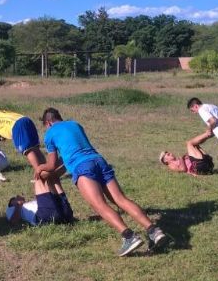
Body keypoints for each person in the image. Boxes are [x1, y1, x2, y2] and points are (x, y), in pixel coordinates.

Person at [35, 108, 169, 256]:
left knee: (99, 205)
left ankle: (129, 237)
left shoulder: (50, 134)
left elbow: (51, 165)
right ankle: (153, 231)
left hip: (82, 168)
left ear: (48, 122)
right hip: (98, 160)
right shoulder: (75, 124)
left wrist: (39, 168)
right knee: (120, 199)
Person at [6, 168, 74, 226]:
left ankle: (63, 162)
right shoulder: (10, 209)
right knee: (39, 177)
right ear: (12, 203)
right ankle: (64, 161)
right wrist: (18, 205)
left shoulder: (25, 206)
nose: (18, 196)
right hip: (45, 215)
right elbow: (13, 221)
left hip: (65, 213)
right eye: (15, 198)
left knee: (53, 178)